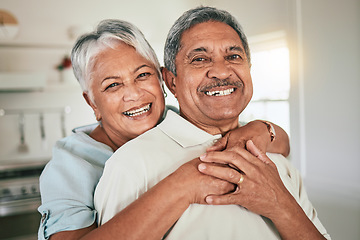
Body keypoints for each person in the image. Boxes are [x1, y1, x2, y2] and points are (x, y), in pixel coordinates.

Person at [38, 19, 290, 240]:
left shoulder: (178, 120)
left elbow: (284, 144)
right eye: (113, 85)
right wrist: (183, 185)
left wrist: (261, 129)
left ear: (164, 81)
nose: (134, 95)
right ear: (92, 102)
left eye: (142, 75)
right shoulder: (72, 166)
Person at [94, 7, 331, 240]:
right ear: (171, 81)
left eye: (233, 56)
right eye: (199, 59)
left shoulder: (276, 161)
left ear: (249, 69)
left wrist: (280, 205)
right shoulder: (131, 165)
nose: (221, 71)